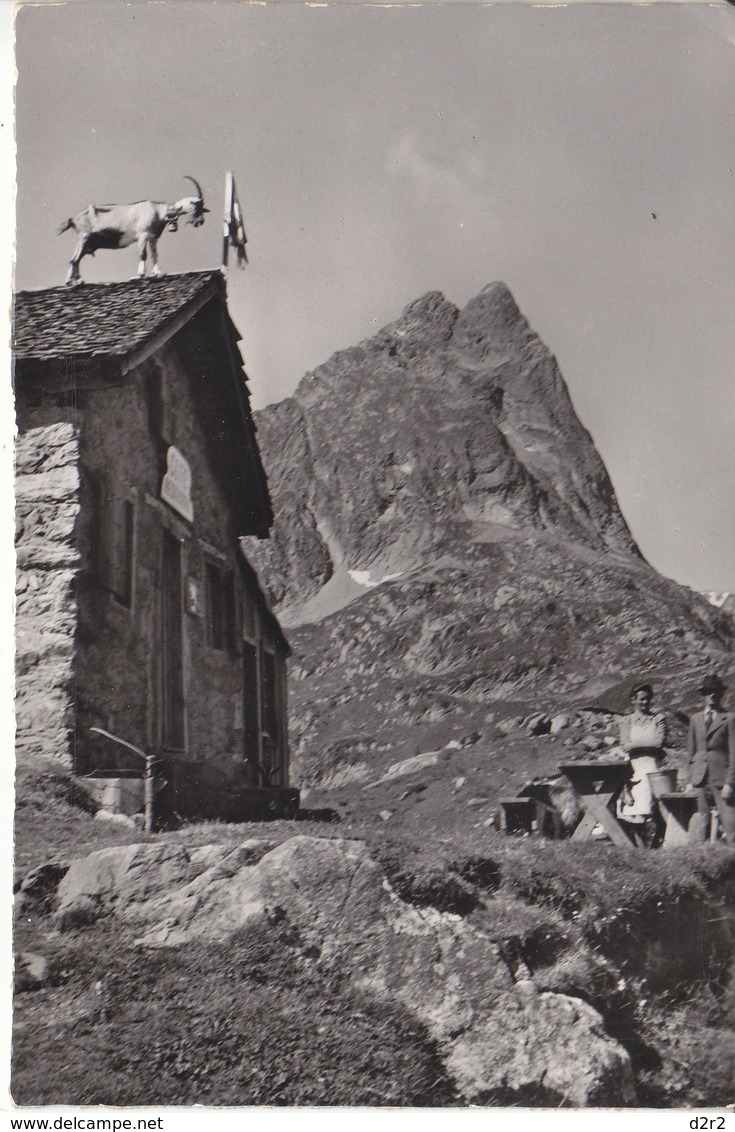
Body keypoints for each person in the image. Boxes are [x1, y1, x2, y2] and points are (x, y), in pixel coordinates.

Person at [617, 682, 667, 847]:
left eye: (648, 699)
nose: (645, 703)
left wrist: (635, 744)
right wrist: (648, 743)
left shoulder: (658, 719)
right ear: (633, 700)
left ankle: (653, 846)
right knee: (634, 811)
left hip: (653, 769)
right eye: (641, 699)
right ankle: (638, 848)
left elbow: (660, 742)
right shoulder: (626, 721)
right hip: (634, 770)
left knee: (653, 811)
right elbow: (625, 744)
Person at [687, 674, 735, 846]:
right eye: (708, 692)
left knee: (730, 823)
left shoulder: (729, 718)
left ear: (721, 694)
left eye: (715, 692)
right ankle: (702, 859)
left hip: (721, 777)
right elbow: (691, 752)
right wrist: (689, 780)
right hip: (699, 777)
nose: (712, 695)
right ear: (703, 695)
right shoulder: (695, 719)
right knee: (701, 821)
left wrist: (730, 783)